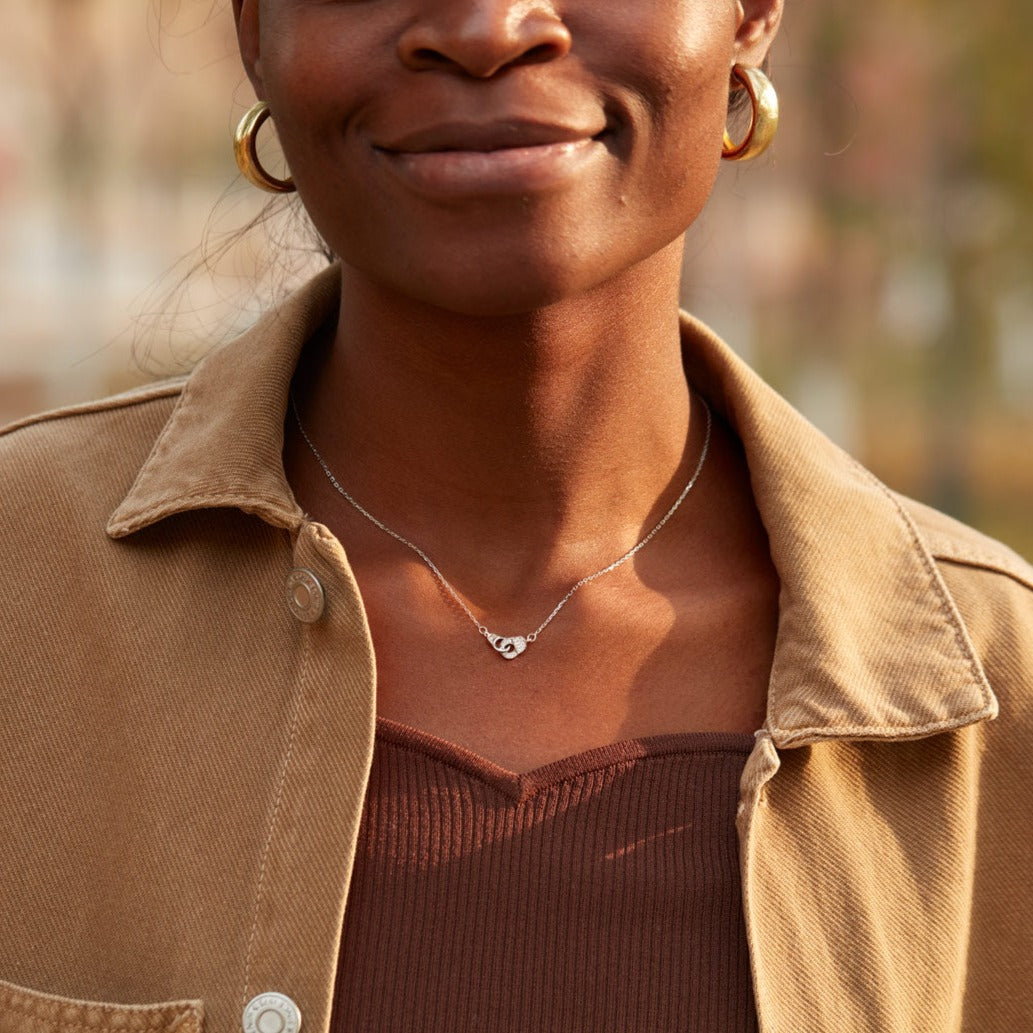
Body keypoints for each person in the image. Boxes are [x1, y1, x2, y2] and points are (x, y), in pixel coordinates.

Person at [2, 1, 1032, 1032]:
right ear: (255, 30)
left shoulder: (998, 699)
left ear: (749, 14)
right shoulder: (24, 586)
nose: (490, 27)